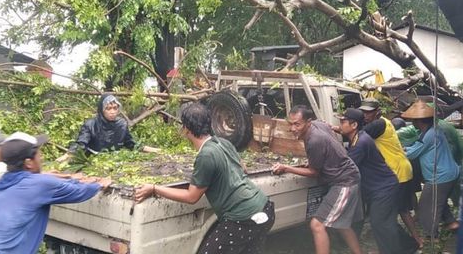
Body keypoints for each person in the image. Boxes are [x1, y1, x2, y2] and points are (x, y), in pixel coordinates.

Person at [134, 103, 275, 254]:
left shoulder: (206, 155)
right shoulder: (223, 142)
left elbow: (191, 197)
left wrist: (155, 188)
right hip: (264, 207)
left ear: (186, 129)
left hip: (242, 218)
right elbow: (243, 168)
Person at [0, 132, 111, 254]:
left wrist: (71, 179)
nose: (42, 157)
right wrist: (99, 183)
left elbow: (43, 184)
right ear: (28, 162)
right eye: (38, 154)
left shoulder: (2, 183)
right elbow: (80, 192)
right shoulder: (38, 185)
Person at [272, 105, 362, 254]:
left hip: (345, 181)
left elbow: (314, 172)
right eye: (291, 123)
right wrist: (315, 160)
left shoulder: (315, 140)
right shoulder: (318, 125)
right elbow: (327, 134)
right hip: (346, 175)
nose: (293, 128)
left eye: (297, 124)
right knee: (341, 224)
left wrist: (286, 167)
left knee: (317, 225)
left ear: (309, 122)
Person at [338, 108, 419, 254]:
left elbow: (346, 167)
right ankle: (407, 246)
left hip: (384, 188)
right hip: (381, 187)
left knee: (380, 222)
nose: (339, 125)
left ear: (354, 125)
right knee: (383, 222)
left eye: (343, 122)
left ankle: (399, 249)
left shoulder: (361, 142)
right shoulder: (359, 138)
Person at [358, 98, 421, 247]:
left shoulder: (378, 124)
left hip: (396, 172)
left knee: (386, 215)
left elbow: (356, 134)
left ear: (378, 112)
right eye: (363, 112)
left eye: (369, 112)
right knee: (402, 210)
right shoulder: (385, 122)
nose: (365, 115)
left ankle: (406, 244)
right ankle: (417, 240)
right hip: (401, 169)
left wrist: (336, 128)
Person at [402, 100, 460, 237]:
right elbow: (418, 146)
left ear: (419, 121)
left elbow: (413, 153)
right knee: (439, 201)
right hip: (449, 173)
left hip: (440, 177)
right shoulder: (433, 131)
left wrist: (399, 150)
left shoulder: (429, 135)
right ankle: (452, 223)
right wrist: (406, 148)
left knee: (427, 207)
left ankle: (432, 237)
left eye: (413, 120)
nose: (412, 122)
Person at [57, 94, 136, 162]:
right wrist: (67, 155)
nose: (112, 112)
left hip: (115, 159)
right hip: (94, 159)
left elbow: (131, 143)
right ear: (102, 110)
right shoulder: (91, 124)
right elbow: (81, 143)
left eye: (115, 108)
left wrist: (147, 149)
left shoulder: (121, 124)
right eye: (108, 108)